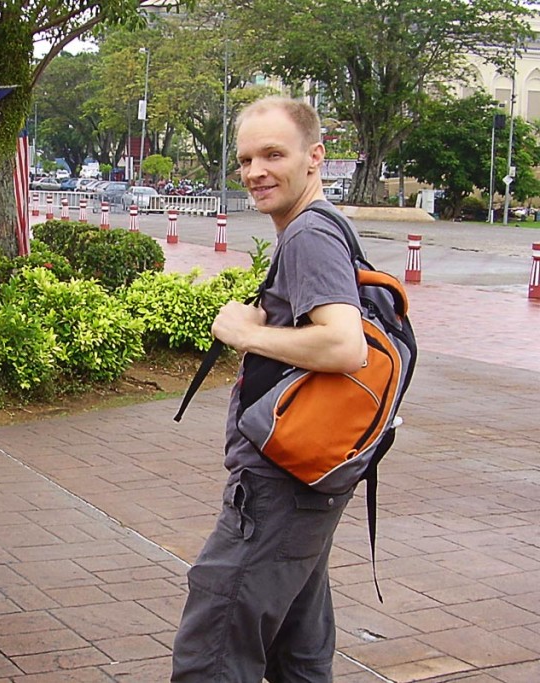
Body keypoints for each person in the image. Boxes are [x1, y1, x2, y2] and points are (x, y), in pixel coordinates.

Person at [171, 97, 368, 682]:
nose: (256, 170)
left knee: (213, 647)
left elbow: (344, 345)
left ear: (315, 159)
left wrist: (243, 333)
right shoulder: (324, 227)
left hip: (279, 485)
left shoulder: (309, 234)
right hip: (312, 481)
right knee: (297, 652)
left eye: (273, 154)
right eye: (246, 158)